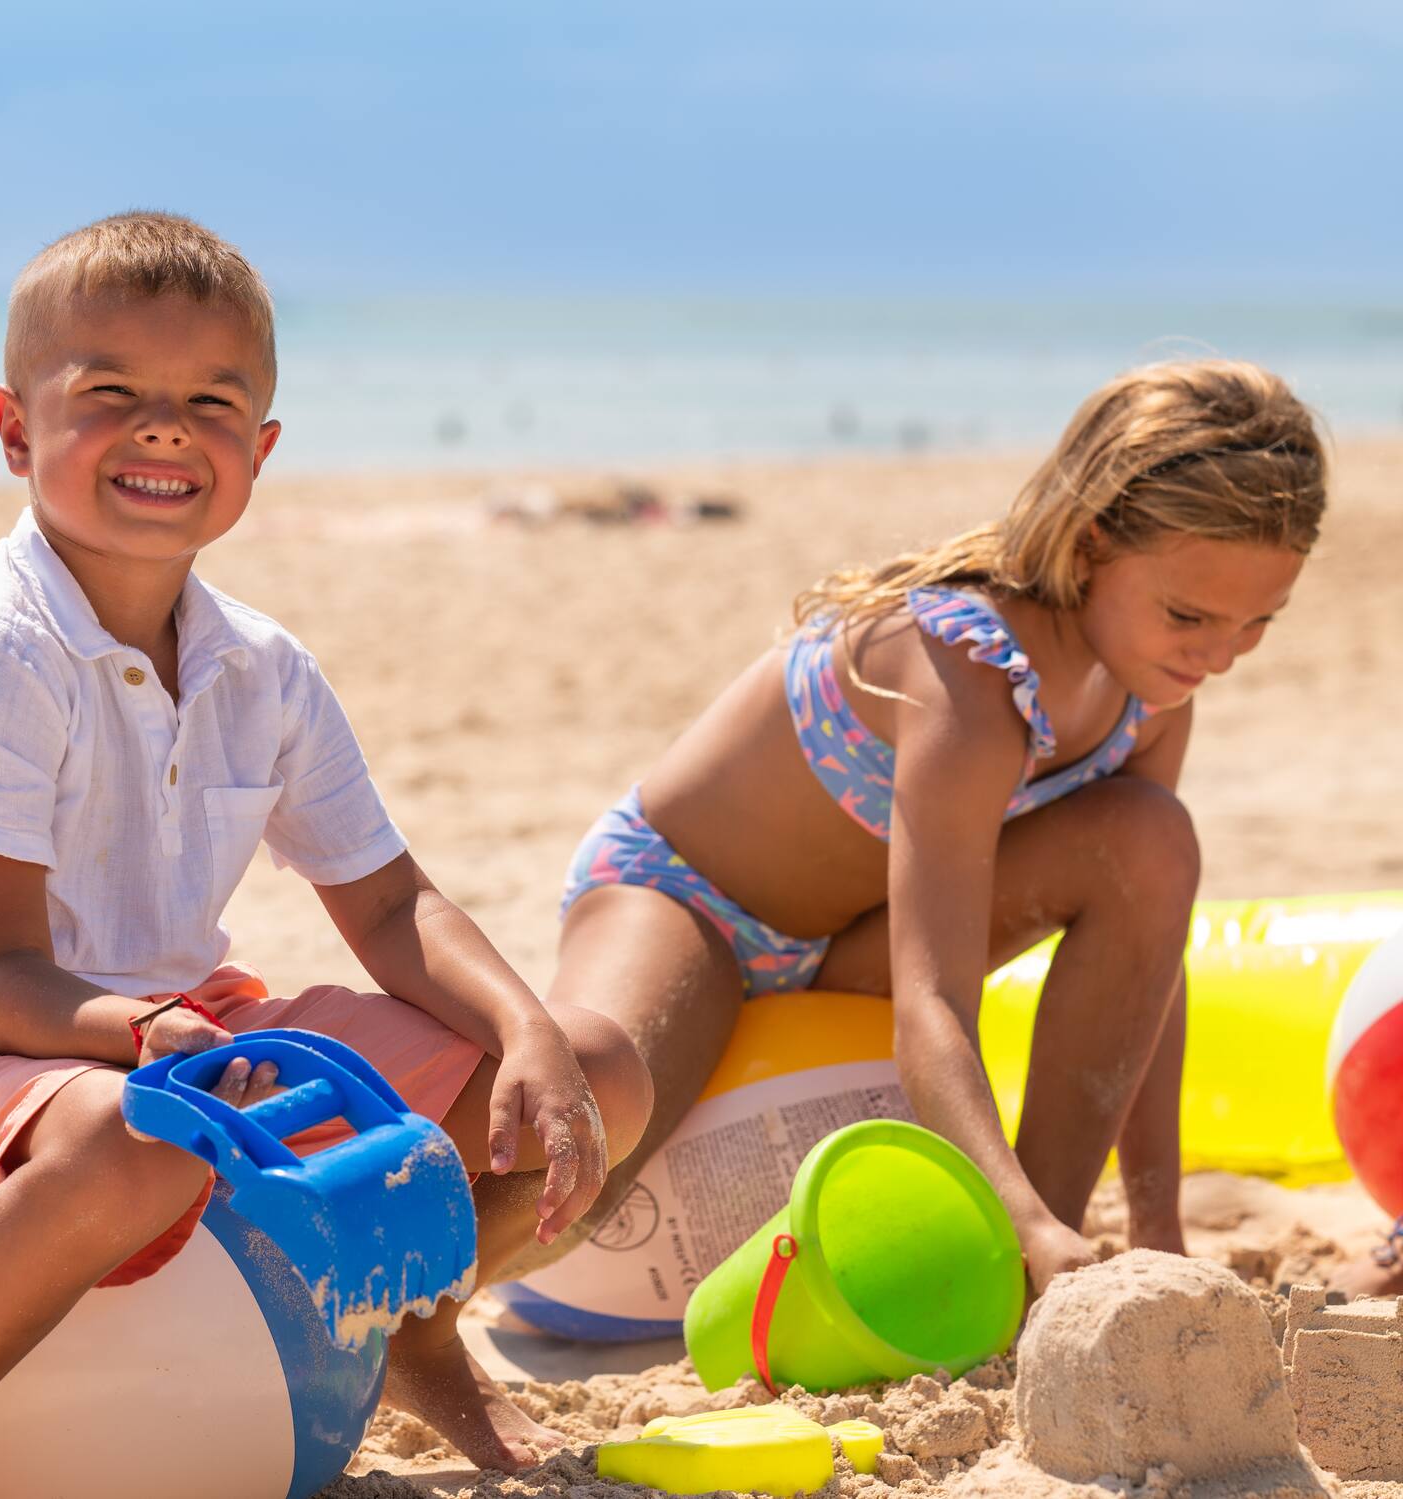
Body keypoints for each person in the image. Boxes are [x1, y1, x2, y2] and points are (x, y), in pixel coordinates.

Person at [0, 211, 651, 1496]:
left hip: (189, 1030)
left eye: (206, 400)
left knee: (595, 1068)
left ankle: (408, 1317)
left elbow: (385, 899)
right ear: (15, 428)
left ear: (257, 450)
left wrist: (523, 1029)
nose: (160, 428)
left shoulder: (260, 665)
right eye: (110, 395)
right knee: (139, 1139)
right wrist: (141, 1036)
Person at [549, 359, 1325, 1297]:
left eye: (1257, 625)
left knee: (1153, 840)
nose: (1219, 655)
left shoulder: (1154, 692)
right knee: (575, 1171)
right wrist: (1013, 1211)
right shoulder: (968, 674)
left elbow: (1152, 961)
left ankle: (1046, 1260)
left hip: (849, 952)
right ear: (1089, 546)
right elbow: (934, 1002)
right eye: (1190, 615)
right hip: (688, 903)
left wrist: (1158, 1225)